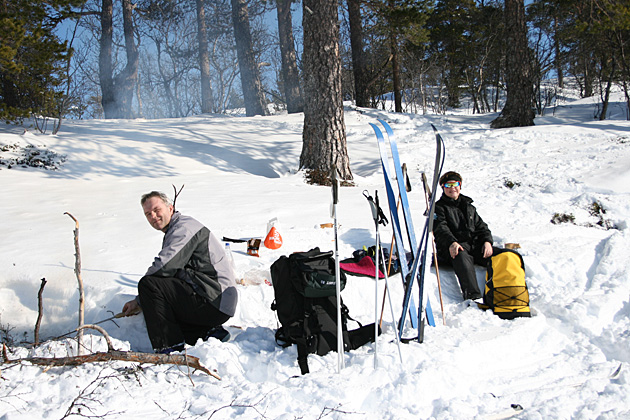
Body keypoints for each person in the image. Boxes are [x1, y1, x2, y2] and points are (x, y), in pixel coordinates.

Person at [122, 191, 238, 353]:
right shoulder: (177, 228)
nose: (153, 216)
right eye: (148, 214)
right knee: (164, 293)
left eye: (157, 210)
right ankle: (206, 332)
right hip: (216, 301)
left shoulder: (184, 229)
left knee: (149, 284)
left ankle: (169, 347)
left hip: (214, 301)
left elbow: (165, 266)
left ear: (170, 208)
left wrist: (140, 299)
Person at [432, 171, 499, 301]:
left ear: (460, 185)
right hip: (451, 248)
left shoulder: (469, 207)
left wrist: (487, 241)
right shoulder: (438, 208)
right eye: (448, 185)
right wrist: (451, 242)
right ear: (443, 188)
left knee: (505, 255)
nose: (452, 188)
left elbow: (482, 227)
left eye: (455, 184)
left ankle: (504, 292)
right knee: (461, 255)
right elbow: (440, 229)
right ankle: (473, 297)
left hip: (473, 246)